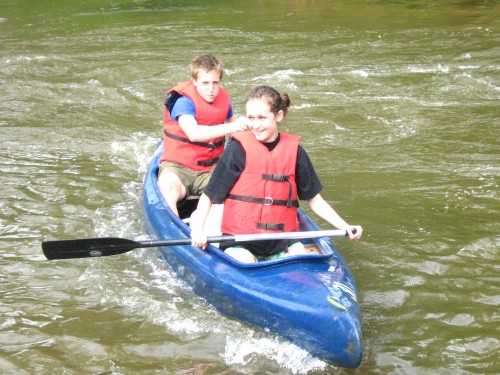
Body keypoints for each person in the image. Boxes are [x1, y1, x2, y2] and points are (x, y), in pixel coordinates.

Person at [190, 85, 363, 263]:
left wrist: (344, 226)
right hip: (241, 241)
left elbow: (314, 200)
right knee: (246, 262)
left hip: (283, 240)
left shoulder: (296, 152)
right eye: (251, 118)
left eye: (262, 118)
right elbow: (209, 195)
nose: (256, 125)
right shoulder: (237, 150)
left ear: (278, 115)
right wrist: (198, 230)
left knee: (300, 262)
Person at [158, 55, 249, 216]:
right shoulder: (182, 101)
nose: (211, 89)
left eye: (215, 83)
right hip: (179, 168)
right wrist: (232, 126)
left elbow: (238, 132)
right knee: (167, 187)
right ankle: (178, 234)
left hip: (211, 169)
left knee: (242, 188)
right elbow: (193, 133)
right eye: (205, 83)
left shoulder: (223, 98)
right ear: (194, 81)